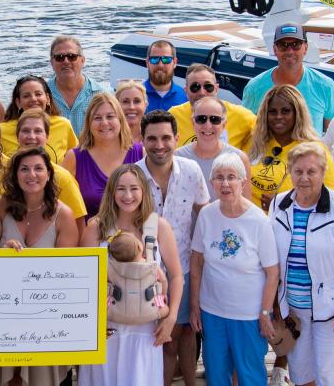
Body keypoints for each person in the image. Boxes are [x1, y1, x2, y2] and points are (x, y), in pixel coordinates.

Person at [76, 164, 184, 386]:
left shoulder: (158, 227)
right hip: (106, 327)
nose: (127, 196)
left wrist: (171, 317)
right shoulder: (96, 228)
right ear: (111, 192)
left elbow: (175, 276)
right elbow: (83, 279)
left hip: (145, 328)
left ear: (144, 190)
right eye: (121, 189)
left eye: (134, 188)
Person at [0, 146, 79, 386]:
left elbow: (66, 276)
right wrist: (3, 257)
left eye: (38, 168)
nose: (31, 174)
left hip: (45, 318)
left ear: (49, 175)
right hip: (1, 313)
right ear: (14, 175)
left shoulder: (63, 214)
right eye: (24, 169)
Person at [267, 142, 334, 386]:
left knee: (329, 377)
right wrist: (273, 305)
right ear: (290, 172)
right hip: (292, 309)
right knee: (301, 375)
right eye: (298, 171)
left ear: (323, 172)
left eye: (311, 171)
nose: (304, 178)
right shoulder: (278, 205)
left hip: (329, 310)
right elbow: (271, 260)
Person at [189, 153, 279, 386]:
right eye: (219, 178)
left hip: (248, 315)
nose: (225, 183)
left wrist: (265, 313)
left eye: (232, 177)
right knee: (216, 374)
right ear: (211, 183)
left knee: (250, 375)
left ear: (243, 182)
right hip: (212, 311)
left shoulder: (259, 221)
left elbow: (272, 273)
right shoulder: (207, 214)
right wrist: (194, 307)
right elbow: (197, 262)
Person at [136, 110, 209, 386]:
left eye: (166, 137)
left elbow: (203, 213)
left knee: (188, 332)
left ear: (177, 138)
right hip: (147, 272)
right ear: (141, 139)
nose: (159, 144)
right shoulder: (133, 176)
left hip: (186, 265)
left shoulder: (191, 171)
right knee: (164, 339)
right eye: (152, 138)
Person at [246, 85, 334, 209]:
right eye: (272, 112)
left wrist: (284, 204)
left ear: (298, 113)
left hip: (287, 225)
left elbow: (331, 201)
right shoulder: (254, 142)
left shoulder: (315, 150)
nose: (278, 116)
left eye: (285, 111)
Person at [241, 23, 334, 134]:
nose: (290, 51)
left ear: (306, 48)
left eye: (296, 45)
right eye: (283, 45)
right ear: (275, 49)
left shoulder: (326, 85)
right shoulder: (255, 87)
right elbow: (246, 131)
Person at [61, 92, 143, 219]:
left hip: (136, 235)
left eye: (110, 116)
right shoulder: (74, 158)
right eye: (97, 118)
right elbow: (60, 205)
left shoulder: (141, 153)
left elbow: (152, 203)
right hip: (89, 235)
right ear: (89, 123)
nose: (104, 123)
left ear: (120, 120)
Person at [12, 108, 90, 231]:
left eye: (38, 131)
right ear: (17, 136)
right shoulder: (5, 172)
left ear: (47, 137)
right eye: (26, 131)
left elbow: (79, 225)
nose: (31, 136)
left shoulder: (62, 177)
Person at [167, 64, 255, 149]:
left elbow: (264, 130)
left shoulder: (240, 116)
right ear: (186, 90)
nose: (202, 92)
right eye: (195, 87)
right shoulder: (174, 116)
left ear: (216, 89)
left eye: (208, 87)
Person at [0, 75, 78, 164]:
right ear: (18, 102)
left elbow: (77, 158)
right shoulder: (2, 131)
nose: (33, 99)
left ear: (47, 99)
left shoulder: (63, 125)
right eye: (26, 96)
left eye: (38, 94)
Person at [175, 96, 250, 182]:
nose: (208, 126)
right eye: (201, 119)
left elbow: (245, 195)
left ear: (224, 125)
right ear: (193, 122)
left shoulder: (240, 159)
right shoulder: (176, 158)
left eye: (215, 119)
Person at [47, 36, 107, 133]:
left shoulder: (100, 94)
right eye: (59, 57)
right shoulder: (41, 95)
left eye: (72, 56)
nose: (66, 61)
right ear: (52, 63)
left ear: (82, 61)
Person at [143, 39, 188, 113]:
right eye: (154, 59)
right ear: (147, 62)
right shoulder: (136, 97)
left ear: (175, 62)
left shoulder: (185, 97)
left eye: (166, 59)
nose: (160, 65)